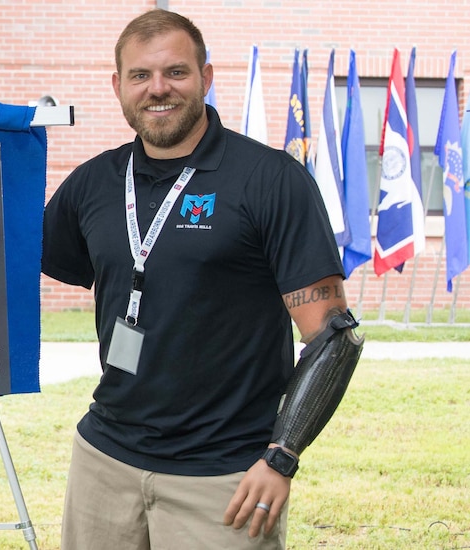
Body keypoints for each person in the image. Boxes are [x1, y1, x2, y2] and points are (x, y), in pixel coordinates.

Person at [41, 9, 363, 550]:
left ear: (206, 78)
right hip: (104, 462)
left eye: (176, 72)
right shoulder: (93, 182)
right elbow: (21, 259)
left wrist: (281, 457)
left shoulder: (270, 180)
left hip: (224, 478)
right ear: (118, 86)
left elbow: (334, 337)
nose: (157, 89)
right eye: (140, 76)